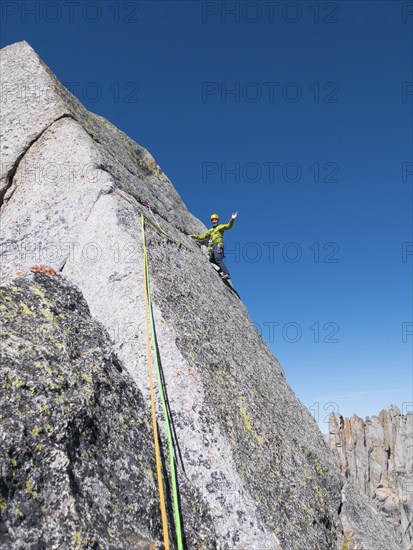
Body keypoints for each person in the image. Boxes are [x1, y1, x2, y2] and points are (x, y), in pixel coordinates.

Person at [191, 212, 238, 279]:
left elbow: (228, 226)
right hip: (213, 248)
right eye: (212, 220)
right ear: (211, 221)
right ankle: (221, 269)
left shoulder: (220, 227)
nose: (214, 221)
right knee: (211, 260)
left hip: (218, 245)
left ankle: (226, 273)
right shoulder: (211, 231)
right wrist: (194, 236)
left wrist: (232, 219)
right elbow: (203, 236)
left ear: (217, 220)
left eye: (215, 219)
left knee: (218, 258)